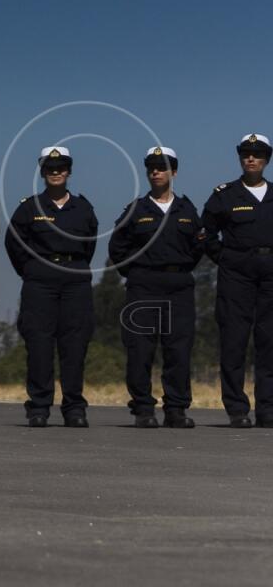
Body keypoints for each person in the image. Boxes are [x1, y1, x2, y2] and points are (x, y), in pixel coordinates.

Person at [108, 147, 202, 428]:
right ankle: (143, 408)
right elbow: (117, 248)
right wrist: (137, 273)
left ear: (174, 172)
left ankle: (176, 409)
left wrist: (178, 268)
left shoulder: (187, 210)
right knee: (140, 350)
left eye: (162, 167)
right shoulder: (136, 210)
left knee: (178, 350)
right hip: (143, 287)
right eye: (151, 167)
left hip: (179, 288)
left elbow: (197, 247)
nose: (156, 172)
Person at [5, 147, 98, 428]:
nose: (55, 172)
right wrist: (34, 271)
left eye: (60, 167)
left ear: (68, 171)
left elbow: (89, 245)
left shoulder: (83, 208)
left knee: (74, 345)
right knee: (39, 345)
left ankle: (74, 408)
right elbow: (14, 245)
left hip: (75, 280)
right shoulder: (29, 207)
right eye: (50, 168)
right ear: (43, 173)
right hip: (40, 281)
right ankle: (39, 407)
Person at [201, 133, 273, 428]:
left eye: (257, 154)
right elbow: (206, 232)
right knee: (234, 340)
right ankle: (237, 409)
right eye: (245, 154)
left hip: (271, 273)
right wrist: (226, 259)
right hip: (236, 273)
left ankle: (267, 409)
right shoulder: (225, 194)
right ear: (240, 158)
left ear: (267, 159)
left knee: (269, 342)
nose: (251, 158)